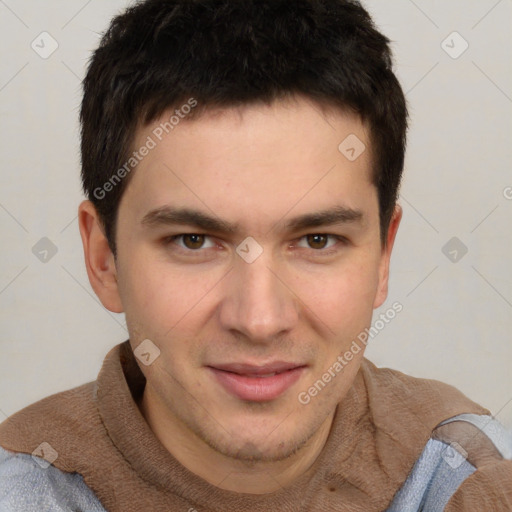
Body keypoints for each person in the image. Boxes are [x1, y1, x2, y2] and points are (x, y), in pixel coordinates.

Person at [1, 0, 511, 510]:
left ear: (383, 256)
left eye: (317, 241)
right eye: (193, 241)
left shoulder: (471, 481)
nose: (260, 320)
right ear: (103, 258)